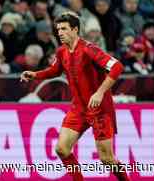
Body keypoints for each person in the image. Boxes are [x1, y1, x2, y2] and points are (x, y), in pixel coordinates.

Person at [20, 12, 129, 181]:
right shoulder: (61, 51)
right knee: (62, 149)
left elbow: (117, 67)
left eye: (64, 29)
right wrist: (35, 74)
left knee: (107, 159)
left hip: (99, 110)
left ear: (75, 29)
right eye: (58, 30)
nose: (60, 33)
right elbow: (54, 70)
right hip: (78, 109)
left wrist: (100, 92)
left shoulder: (89, 49)